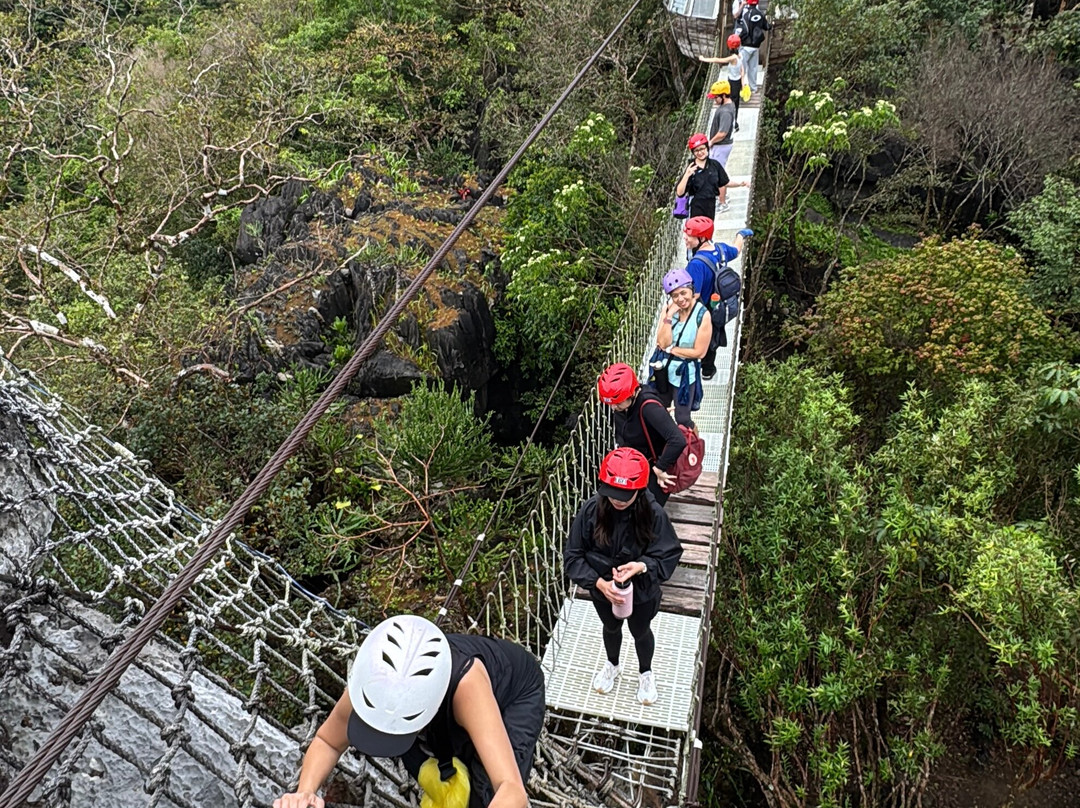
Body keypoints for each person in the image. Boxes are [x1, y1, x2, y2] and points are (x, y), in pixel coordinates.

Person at [273, 615, 545, 808]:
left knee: (483, 794)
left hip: (514, 695)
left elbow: (511, 790)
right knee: (433, 772)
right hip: (435, 711)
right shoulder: (372, 679)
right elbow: (327, 741)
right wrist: (304, 792)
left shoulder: (467, 686)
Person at [564, 447, 683, 705]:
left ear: (639, 490)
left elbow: (669, 554)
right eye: (613, 493)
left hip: (641, 591)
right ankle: (612, 665)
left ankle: (645, 673)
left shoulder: (654, 515)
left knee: (641, 630)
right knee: (611, 626)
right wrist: (599, 584)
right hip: (603, 588)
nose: (617, 500)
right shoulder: (590, 511)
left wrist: (641, 566)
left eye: (625, 495)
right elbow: (573, 555)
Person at [597, 362, 687, 507]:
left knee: (648, 512)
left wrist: (660, 467)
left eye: (618, 403)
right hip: (633, 466)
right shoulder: (623, 408)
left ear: (632, 394)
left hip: (653, 469)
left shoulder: (648, 408)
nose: (613, 407)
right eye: (610, 403)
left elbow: (678, 440)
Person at [680, 217, 753, 378]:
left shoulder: (696, 265)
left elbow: (694, 295)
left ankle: (693, 369)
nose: (685, 238)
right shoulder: (720, 249)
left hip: (704, 309)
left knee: (699, 338)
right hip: (719, 305)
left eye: (689, 236)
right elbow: (737, 249)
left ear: (701, 238)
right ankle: (708, 370)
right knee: (713, 336)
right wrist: (741, 235)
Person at [656, 268, 712, 428]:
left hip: (686, 375)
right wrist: (667, 317)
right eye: (675, 295)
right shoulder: (669, 310)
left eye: (683, 293)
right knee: (660, 412)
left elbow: (699, 352)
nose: (680, 299)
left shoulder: (703, 315)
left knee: (683, 419)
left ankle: (695, 447)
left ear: (691, 290)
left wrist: (672, 350)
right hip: (665, 371)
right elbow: (661, 343)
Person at [699, 34, 746, 132]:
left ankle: (732, 123)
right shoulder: (740, 55)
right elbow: (742, 71)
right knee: (735, 103)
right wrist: (743, 84)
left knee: (728, 103)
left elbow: (718, 60)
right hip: (736, 83)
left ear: (729, 46)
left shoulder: (733, 58)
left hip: (732, 83)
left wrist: (704, 59)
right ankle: (734, 123)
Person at [705, 81, 738, 213]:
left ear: (723, 95)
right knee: (718, 172)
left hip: (721, 146)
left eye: (716, 97)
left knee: (718, 175)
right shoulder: (729, 105)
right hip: (722, 146)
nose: (714, 100)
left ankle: (722, 203)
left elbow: (723, 133)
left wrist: (710, 142)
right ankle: (722, 196)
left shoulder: (725, 112)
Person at [736, 0, 771, 93]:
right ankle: (753, 88)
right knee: (753, 68)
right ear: (757, 3)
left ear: (748, 3)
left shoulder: (746, 14)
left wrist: (739, 39)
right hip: (755, 46)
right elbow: (767, 27)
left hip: (745, 46)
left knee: (742, 68)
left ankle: (740, 88)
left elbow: (742, 28)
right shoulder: (760, 14)